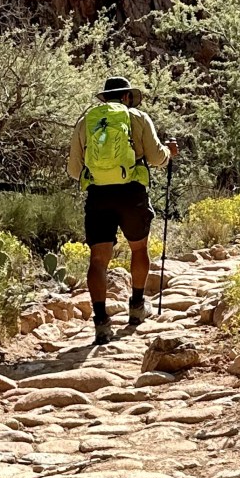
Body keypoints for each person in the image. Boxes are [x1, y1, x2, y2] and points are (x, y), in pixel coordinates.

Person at [68, 76, 178, 344]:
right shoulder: (138, 118)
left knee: (98, 260)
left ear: (105, 98)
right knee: (138, 248)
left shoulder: (86, 122)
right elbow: (155, 158)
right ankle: (137, 307)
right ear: (127, 97)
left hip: (98, 196)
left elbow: (73, 170)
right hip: (131, 193)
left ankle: (101, 323)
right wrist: (169, 153)